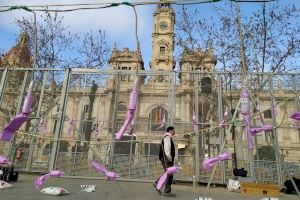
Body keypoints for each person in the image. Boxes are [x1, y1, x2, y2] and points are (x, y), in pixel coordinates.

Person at [153, 126, 176, 194]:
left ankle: (167, 189)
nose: (174, 132)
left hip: (167, 158)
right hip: (166, 158)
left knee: (169, 173)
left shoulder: (169, 138)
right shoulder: (167, 137)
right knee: (169, 173)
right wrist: (170, 158)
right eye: (173, 130)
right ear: (169, 131)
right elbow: (167, 150)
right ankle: (157, 183)